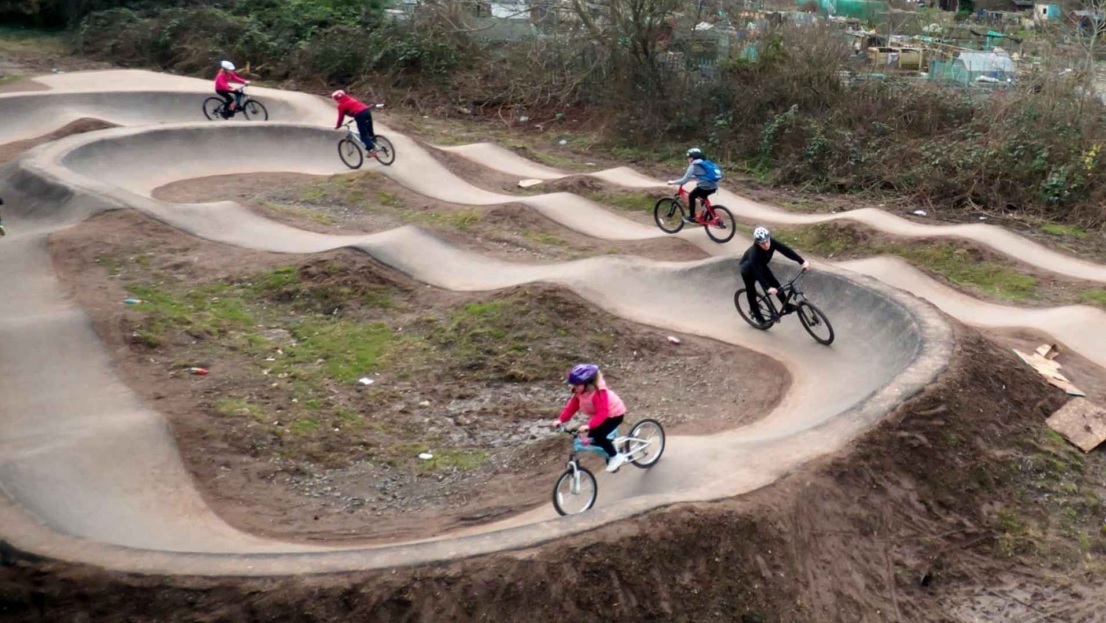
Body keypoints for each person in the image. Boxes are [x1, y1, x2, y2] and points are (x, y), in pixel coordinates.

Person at [552, 363, 629, 473]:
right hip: (600, 415)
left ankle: (615, 456)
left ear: (588, 383)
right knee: (592, 438)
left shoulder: (598, 393)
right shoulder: (580, 392)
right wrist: (560, 420)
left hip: (614, 415)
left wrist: (589, 425)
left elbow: (602, 413)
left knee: (598, 436)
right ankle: (611, 447)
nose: (574, 387)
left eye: (577, 385)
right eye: (573, 385)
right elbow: (571, 408)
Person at [740, 226, 810, 323]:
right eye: (762, 243)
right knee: (751, 292)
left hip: (761, 266)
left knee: (776, 284)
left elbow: (786, 250)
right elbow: (757, 273)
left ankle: (787, 306)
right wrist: (767, 288)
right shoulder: (754, 254)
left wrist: (801, 261)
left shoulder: (771, 242)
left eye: (767, 241)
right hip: (748, 270)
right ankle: (758, 317)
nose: (766, 245)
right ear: (757, 243)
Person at [666, 147, 723, 224]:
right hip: (714, 186)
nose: (688, 159)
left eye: (689, 157)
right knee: (703, 197)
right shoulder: (704, 163)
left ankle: (692, 217)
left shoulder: (693, 166)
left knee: (692, 195)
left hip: (705, 187)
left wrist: (673, 182)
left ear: (692, 158)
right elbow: (701, 175)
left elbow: (684, 180)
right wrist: (691, 177)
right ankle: (710, 216)